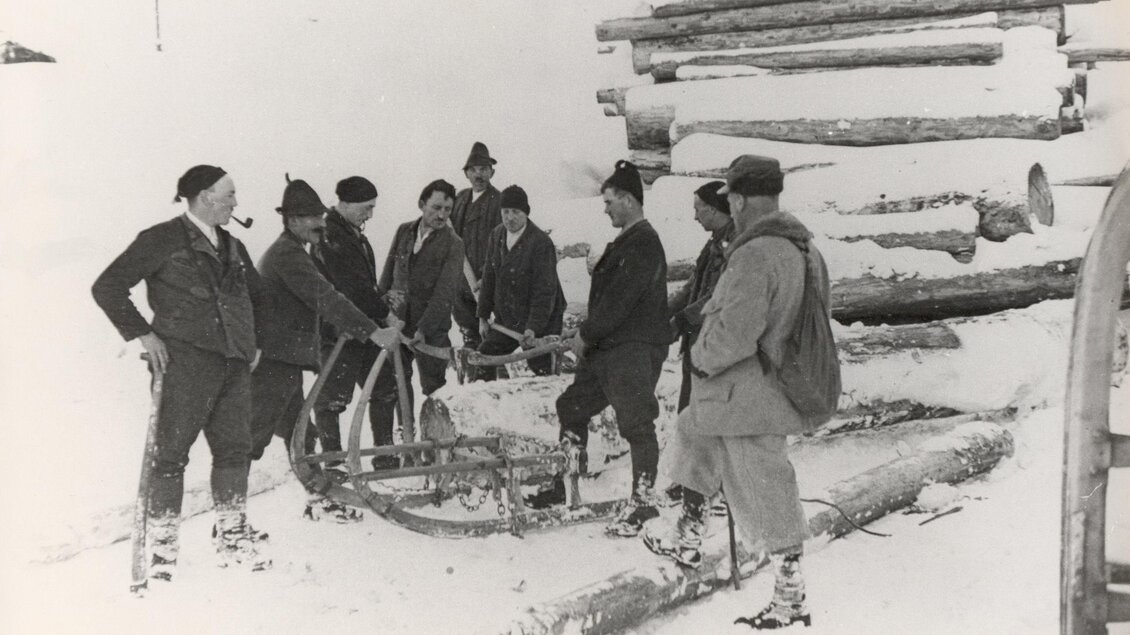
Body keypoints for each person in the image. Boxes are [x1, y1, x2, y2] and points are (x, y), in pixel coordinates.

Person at [655, 155, 828, 629]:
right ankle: (687, 536)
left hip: (753, 397)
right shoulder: (804, 249)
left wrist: (699, 355)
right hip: (763, 388)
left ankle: (790, 596)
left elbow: (734, 333)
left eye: (729, 198)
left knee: (766, 492)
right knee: (693, 426)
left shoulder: (755, 253)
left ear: (737, 199)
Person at [92, 165, 270, 579]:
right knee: (171, 455)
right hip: (185, 364)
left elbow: (258, 297)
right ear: (205, 196)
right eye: (229, 195)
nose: (235, 203)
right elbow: (108, 286)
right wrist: (144, 335)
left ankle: (231, 533)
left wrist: (253, 342)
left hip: (233, 365)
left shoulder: (233, 245)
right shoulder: (160, 239)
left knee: (234, 450)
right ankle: (163, 544)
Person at [528, 160, 671, 539]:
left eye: (609, 201)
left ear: (627, 199)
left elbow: (620, 302)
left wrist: (586, 333)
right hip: (609, 351)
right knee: (570, 406)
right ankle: (565, 485)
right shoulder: (626, 241)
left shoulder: (643, 243)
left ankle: (643, 502)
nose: (605, 208)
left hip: (632, 350)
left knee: (637, 423)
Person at [249, 175, 400, 522]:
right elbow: (328, 299)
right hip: (272, 361)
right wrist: (373, 332)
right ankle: (231, 520)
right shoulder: (288, 255)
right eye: (312, 218)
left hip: (283, 358)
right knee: (252, 439)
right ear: (293, 221)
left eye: (321, 215)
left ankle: (319, 498)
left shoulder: (293, 250)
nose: (321, 223)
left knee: (301, 434)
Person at [650, 182, 735, 528]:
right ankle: (689, 483)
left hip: (715, 349)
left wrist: (680, 320)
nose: (694, 214)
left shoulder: (735, 247)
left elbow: (718, 297)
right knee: (688, 416)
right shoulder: (714, 243)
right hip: (697, 347)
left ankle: (719, 488)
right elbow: (693, 288)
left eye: (699, 207)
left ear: (715, 210)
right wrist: (664, 312)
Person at [374, 179, 465, 468]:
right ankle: (408, 443)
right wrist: (382, 313)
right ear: (421, 204)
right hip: (398, 325)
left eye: (448, 210)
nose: (441, 215)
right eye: (436, 207)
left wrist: (423, 330)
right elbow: (388, 274)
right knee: (399, 384)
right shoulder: (404, 232)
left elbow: (445, 293)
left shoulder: (453, 244)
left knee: (433, 388)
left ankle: (433, 447)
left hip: (430, 331)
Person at [310, 176, 394, 474]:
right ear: (345, 203)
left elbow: (365, 285)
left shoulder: (352, 233)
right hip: (340, 333)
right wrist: (385, 312)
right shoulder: (331, 235)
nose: (369, 214)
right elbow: (353, 288)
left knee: (384, 388)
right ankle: (333, 463)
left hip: (365, 329)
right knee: (332, 400)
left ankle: (386, 458)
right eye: (366, 207)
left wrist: (380, 302)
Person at [475, 184, 566, 379]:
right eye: (505, 212)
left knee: (542, 371)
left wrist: (533, 328)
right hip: (508, 320)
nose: (510, 218)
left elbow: (545, 291)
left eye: (515, 212)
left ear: (526, 212)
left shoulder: (540, 242)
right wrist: (482, 316)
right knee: (484, 357)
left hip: (542, 321)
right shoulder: (497, 235)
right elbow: (489, 278)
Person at [450, 142, 502, 374]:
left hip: (485, 284)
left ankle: (491, 383)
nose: (479, 174)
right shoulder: (459, 199)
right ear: (466, 173)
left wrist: (488, 278)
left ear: (492, 171)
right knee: (469, 336)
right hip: (461, 283)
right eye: (474, 169)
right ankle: (474, 383)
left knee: (490, 340)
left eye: (483, 168)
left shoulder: (499, 202)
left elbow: (502, 246)